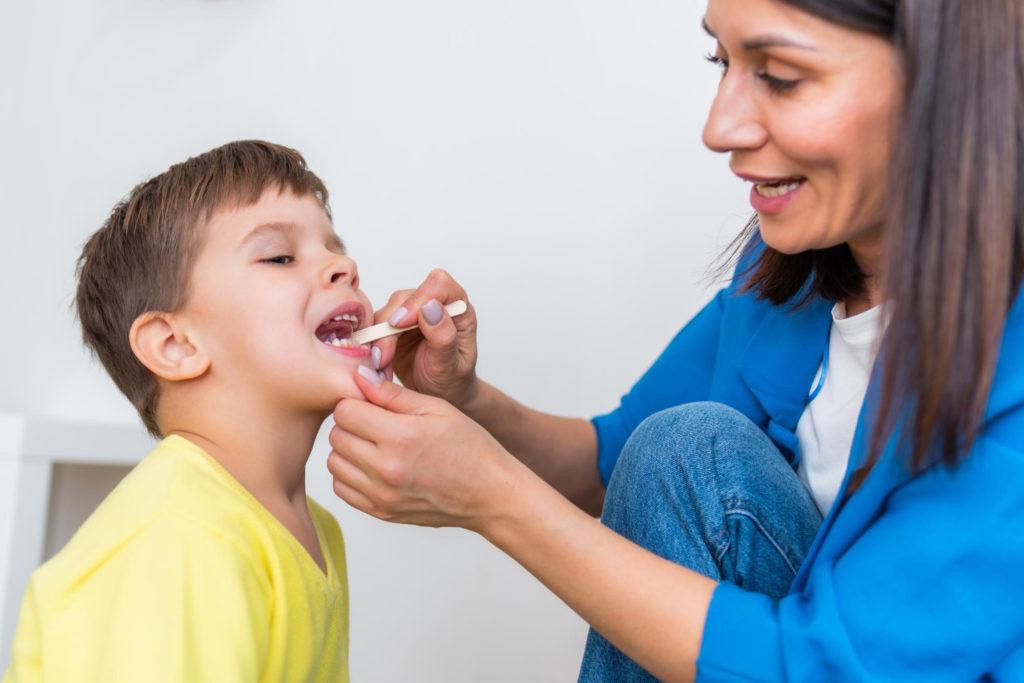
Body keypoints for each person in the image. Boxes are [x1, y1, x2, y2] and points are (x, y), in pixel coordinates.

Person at [326, 0, 1024, 681]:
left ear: (950, 77)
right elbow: (617, 462)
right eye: (719, 61)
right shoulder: (791, 271)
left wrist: (494, 500)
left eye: (779, 75)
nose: (718, 127)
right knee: (683, 450)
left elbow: (818, 666)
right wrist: (463, 399)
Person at [3, 140, 373, 682]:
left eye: (333, 248)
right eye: (280, 257)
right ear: (176, 345)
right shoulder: (178, 541)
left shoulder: (315, 531)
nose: (344, 266)